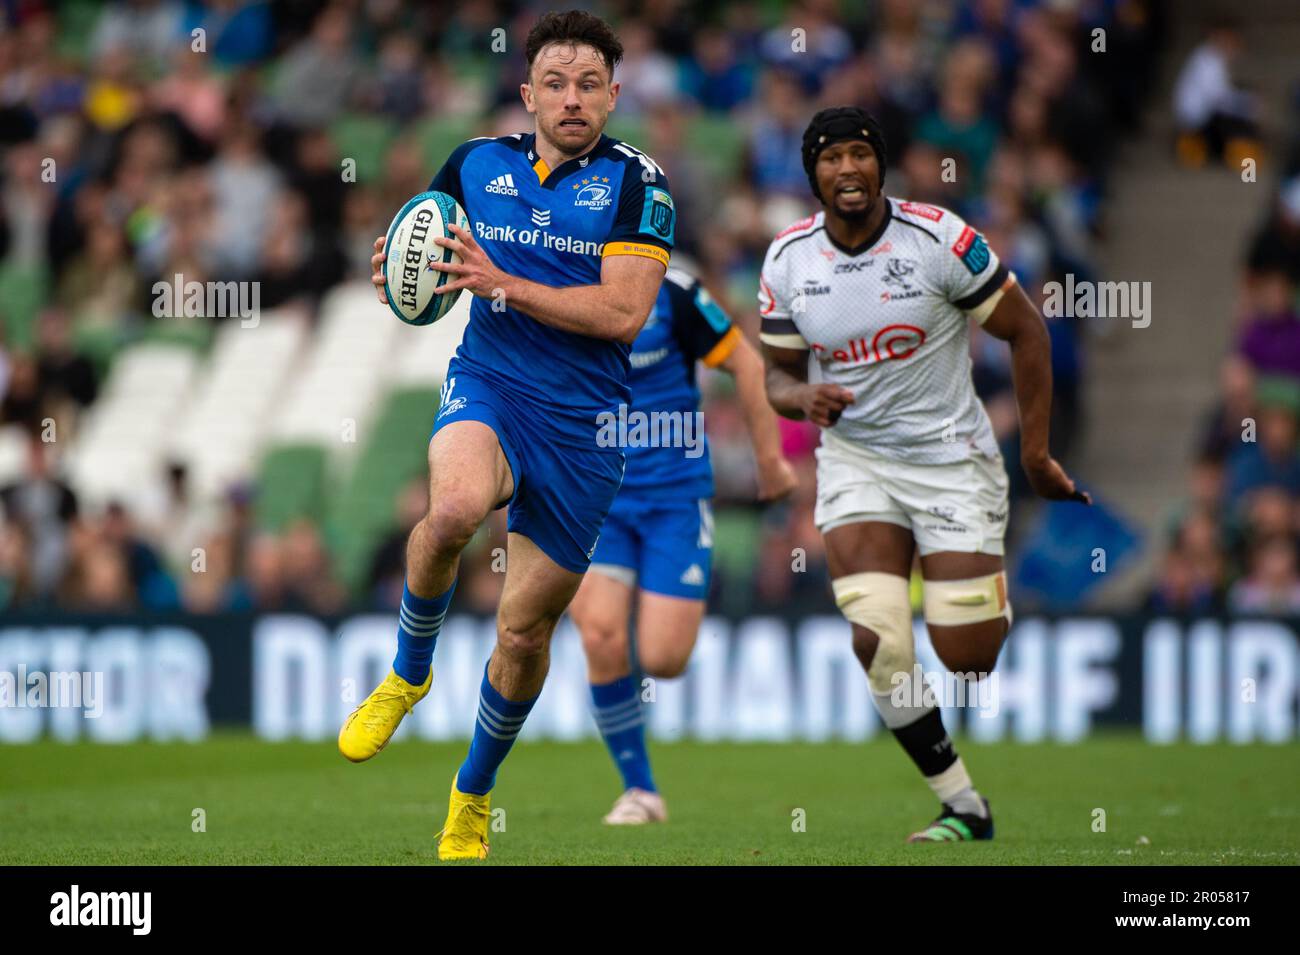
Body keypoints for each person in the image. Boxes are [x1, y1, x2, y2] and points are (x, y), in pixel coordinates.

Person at [337, 10, 675, 861]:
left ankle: (472, 794)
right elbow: (428, 246)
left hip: (584, 427)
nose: (572, 99)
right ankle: (409, 674)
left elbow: (624, 313)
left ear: (613, 95)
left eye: (589, 84)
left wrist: (504, 280)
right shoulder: (475, 161)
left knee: (523, 636)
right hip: (490, 380)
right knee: (450, 512)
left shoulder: (640, 184)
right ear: (527, 94)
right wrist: (395, 267)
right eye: (555, 84)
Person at [758, 106, 1089, 844]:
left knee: (967, 656)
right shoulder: (787, 259)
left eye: (860, 155)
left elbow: (1027, 329)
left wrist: (1035, 454)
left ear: (882, 165)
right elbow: (776, 376)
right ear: (811, 173)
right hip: (857, 461)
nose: (847, 169)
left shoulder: (939, 240)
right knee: (878, 639)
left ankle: (976, 597)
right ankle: (963, 803)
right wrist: (800, 395)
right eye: (831, 158)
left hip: (951, 459)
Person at [567, 266, 796, 824]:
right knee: (598, 631)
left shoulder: (675, 294)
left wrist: (769, 461)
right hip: (600, 500)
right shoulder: (560, 285)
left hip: (675, 497)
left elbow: (744, 362)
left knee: (665, 659)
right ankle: (640, 790)